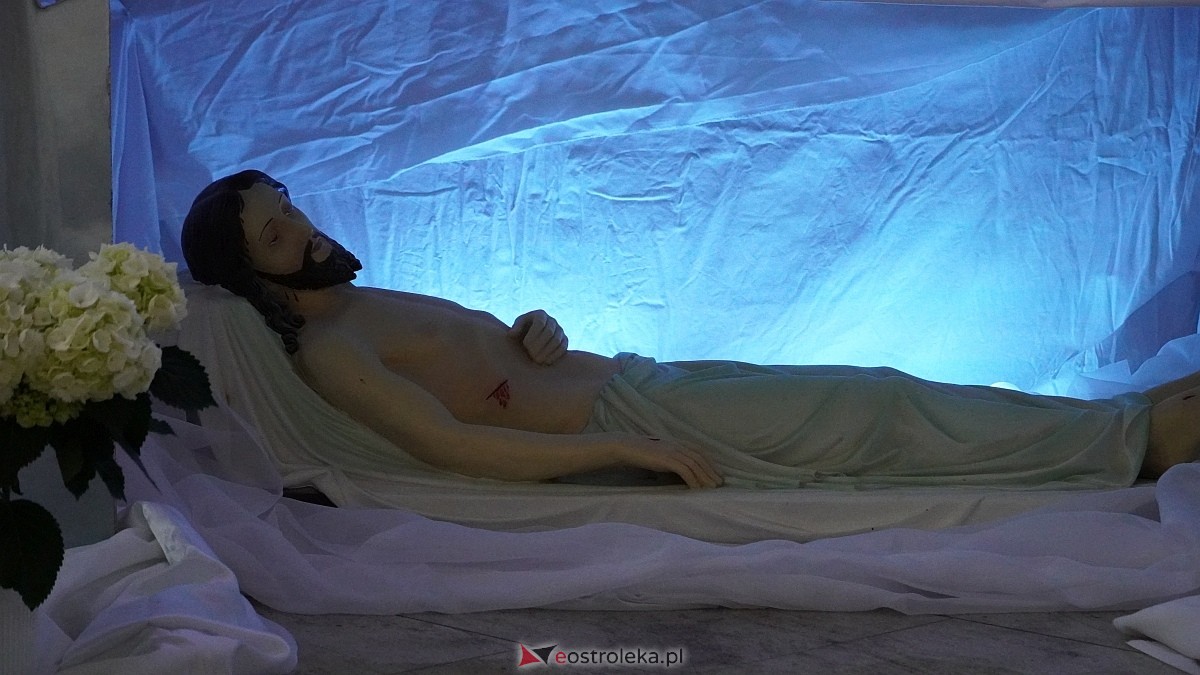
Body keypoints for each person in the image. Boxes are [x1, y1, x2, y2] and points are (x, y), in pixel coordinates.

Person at [181, 170, 1200, 490]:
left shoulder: (361, 303)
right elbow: (455, 445)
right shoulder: (335, 353)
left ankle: (1103, 423)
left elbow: (487, 361)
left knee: (875, 390)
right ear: (253, 274)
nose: (305, 229)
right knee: (877, 411)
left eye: (291, 207)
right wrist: (626, 448)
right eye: (277, 233)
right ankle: (1127, 444)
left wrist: (531, 332)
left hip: (639, 380)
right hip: (631, 420)